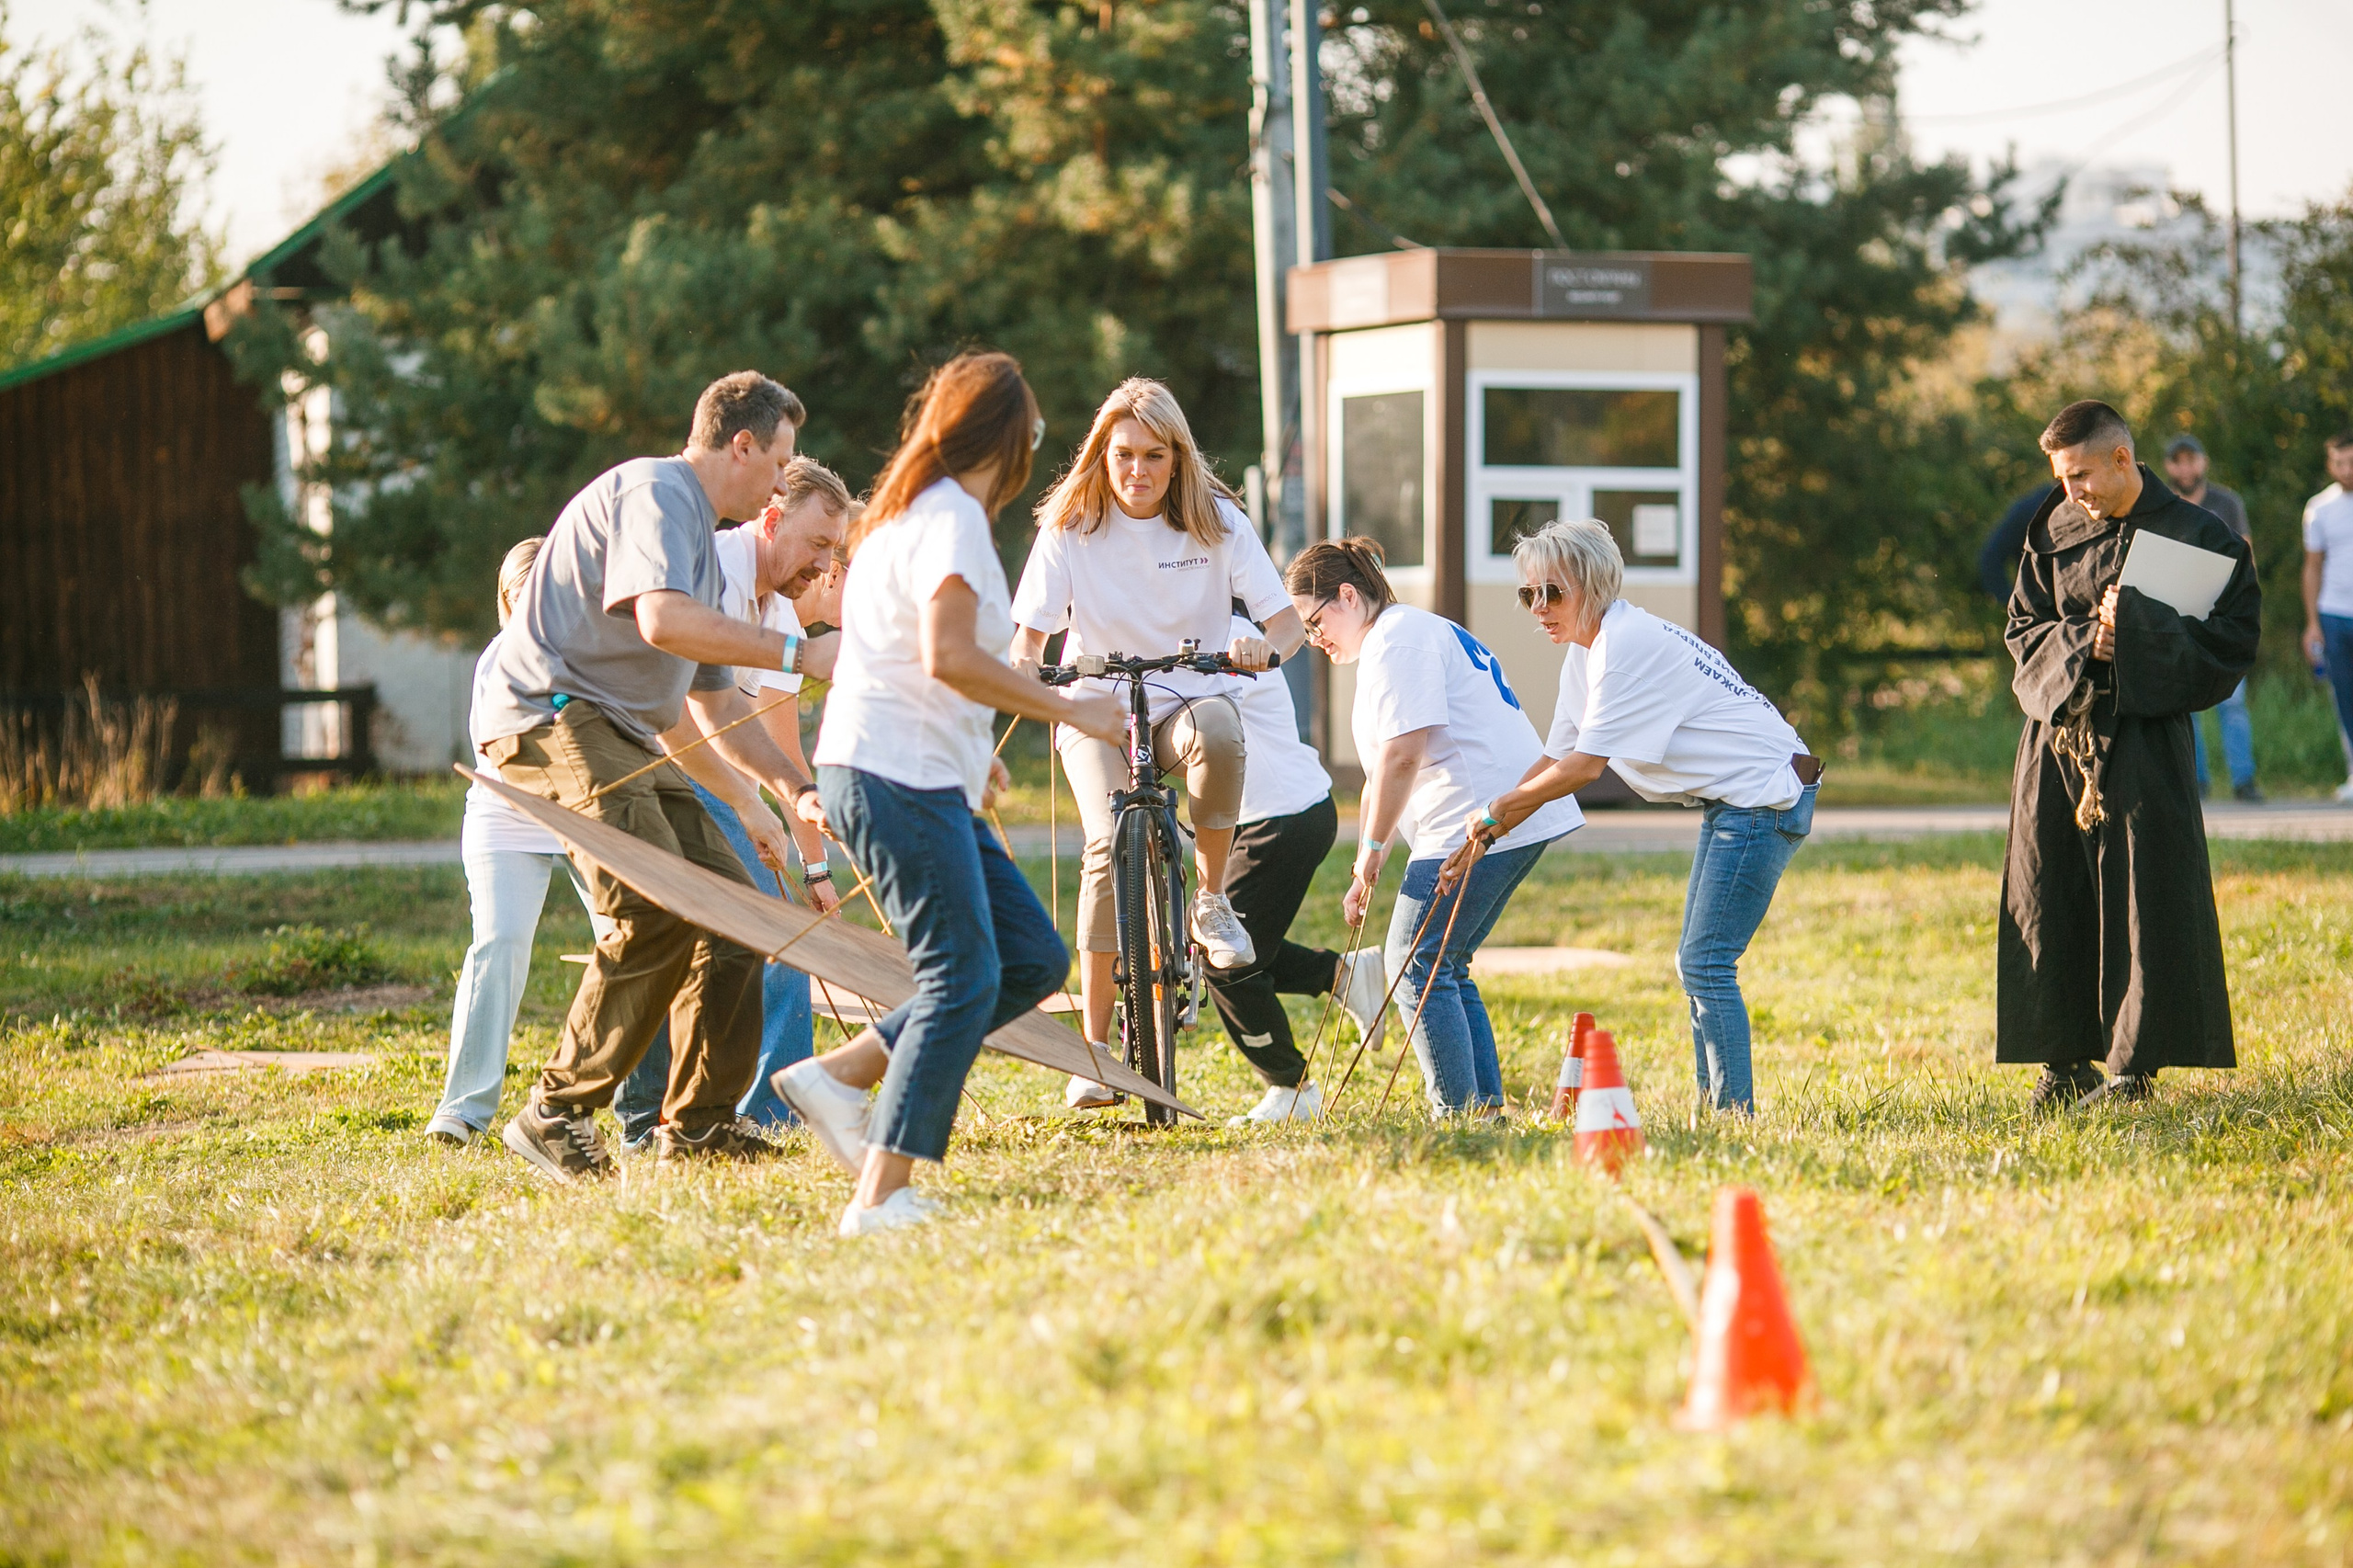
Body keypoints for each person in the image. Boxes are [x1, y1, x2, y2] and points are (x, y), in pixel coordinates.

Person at [775, 351, 1127, 1235]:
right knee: (961, 975)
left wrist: (978, 750)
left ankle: (837, 1076)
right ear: (1006, 439)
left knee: (1032, 961)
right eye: (1035, 438)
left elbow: (903, 661)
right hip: (896, 779)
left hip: (917, 771)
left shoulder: (899, 520)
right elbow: (950, 654)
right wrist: (1070, 710)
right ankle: (880, 1195)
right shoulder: (952, 519)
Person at [472, 371, 827, 1179]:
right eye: (779, 461)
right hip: (549, 712)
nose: (781, 480)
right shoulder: (654, 492)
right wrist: (798, 655)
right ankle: (554, 1112)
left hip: (627, 730)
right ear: (741, 444)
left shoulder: (697, 540)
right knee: (653, 906)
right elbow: (662, 621)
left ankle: (697, 1125)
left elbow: (705, 704)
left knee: (735, 913)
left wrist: (775, 794)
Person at [1449, 517, 1818, 1116]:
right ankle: (1720, 1108)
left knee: (1705, 962)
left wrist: (1494, 813)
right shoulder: (1589, 653)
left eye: (1552, 593)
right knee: (1698, 962)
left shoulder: (1624, 646)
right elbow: (1553, 757)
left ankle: (1733, 1115)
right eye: (1527, 594)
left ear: (1593, 586)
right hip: (1738, 801)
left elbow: (1584, 770)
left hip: (1765, 796)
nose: (1538, 608)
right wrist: (1489, 831)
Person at [1006, 378, 1304, 1108]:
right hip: (1093, 705)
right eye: (1123, 455)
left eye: (1154, 456)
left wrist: (1267, 648)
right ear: (1101, 457)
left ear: (1178, 460)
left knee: (1223, 729)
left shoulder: (1218, 523)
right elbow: (1027, 644)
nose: (1137, 471)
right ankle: (1096, 1051)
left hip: (1188, 696)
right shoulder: (1071, 526)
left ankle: (1208, 902)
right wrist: (1029, 689)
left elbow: (1287, 621)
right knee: (1107, 845)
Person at [2000, 401, 2259, 1109]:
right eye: (2061, 478)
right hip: (2058, 738)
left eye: (2081, 475)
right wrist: (2090, 643)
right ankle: (2062, 1061)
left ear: (2122, 459)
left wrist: (2137, 634)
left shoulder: (2200, 536)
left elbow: (2232, 644)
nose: (2072, 492)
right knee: (2049, 892)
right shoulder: (2053, 529)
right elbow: (2023, 630)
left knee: (2144, 897)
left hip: (2145, 740)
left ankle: (2132, 1069)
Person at [1286, 538, 1580, 1117]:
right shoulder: (1394, 639)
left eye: (1313, 622)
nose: (1313, 639)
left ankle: (1459, 1112)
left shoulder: (1398, 640)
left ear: (1348, 596)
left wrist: (1373, 851)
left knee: (1414, 962)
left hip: (1479, 815)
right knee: (1442, 963)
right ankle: (1482, 1111)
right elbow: (1380, 775)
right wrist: (1365, 861)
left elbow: (1403, 755)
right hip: (1488, 812)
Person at [612, 457, 853, 1148]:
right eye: (816, 545)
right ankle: (685, 1114)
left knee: (743, 924)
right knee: (723, 925)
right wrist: (748, 807)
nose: (825, 565)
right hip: (649, 759)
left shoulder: (777, 610)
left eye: (834, 551)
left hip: (712, 775)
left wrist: (805, 841)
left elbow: (761, 736)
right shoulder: (712, 566)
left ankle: (731, 1111)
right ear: (771, 518)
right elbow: (679, 715)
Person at [425, 538, 604, 1145]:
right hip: (508, 816)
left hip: (587, 817)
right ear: (507, 604)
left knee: (628, 943)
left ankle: (633, 1102)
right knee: (498, 944)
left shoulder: (595, 654)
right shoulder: (500, 660)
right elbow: (513, 752)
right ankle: (462, 1109)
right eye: (521, 602)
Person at [1203, 609, 1389, 1126]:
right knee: (1238, 947)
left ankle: (1291, 1088)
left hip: (1282, 816)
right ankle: (1343, 975)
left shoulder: (1231, 632)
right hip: (1268, 813)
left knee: (1225, 961)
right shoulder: (1202, 625)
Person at [2164, 435, 2261, 801]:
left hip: (2223, 615)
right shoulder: (2163, 504)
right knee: (2185, 705)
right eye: (2177, 461)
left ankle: (2244, 781)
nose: (2185, 469)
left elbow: (2245, 555)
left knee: (2232, 702)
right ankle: (2195, 782)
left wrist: (2244, 609)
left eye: (2191, 460)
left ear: (2203, 462)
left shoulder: (2227, 502)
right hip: (2177, 616)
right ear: (2169, 465)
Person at [2303, 430, 2353, 804]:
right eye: (2340, 462)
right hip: (2334, 615)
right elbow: (2312, 567)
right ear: (2330, 464)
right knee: (2345, 698)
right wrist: (2313, 623)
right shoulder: (2318, 508)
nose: (2347, 469)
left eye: (2352, 461)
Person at [1978, 483, 2057, 602]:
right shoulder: (2031, 509)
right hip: (2047, 605)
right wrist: (2015, 603)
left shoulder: (2089, 506)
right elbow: (1991, 558)